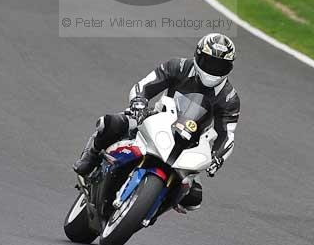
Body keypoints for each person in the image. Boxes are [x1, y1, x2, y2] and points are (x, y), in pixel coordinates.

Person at [73, 33, 240, 212]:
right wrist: (139, 101)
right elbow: (145, 85)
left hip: (191, 142)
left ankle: (150, 208)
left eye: (219, 66)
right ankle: (91, 155)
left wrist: (217, 157)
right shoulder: (179, 66)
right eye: (209, 62)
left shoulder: (229, 98)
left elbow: (227, 135)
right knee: (112, 123)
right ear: (198, 56)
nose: (213, 69)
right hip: (156, 118)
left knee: (193, 198)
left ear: (228, 67)